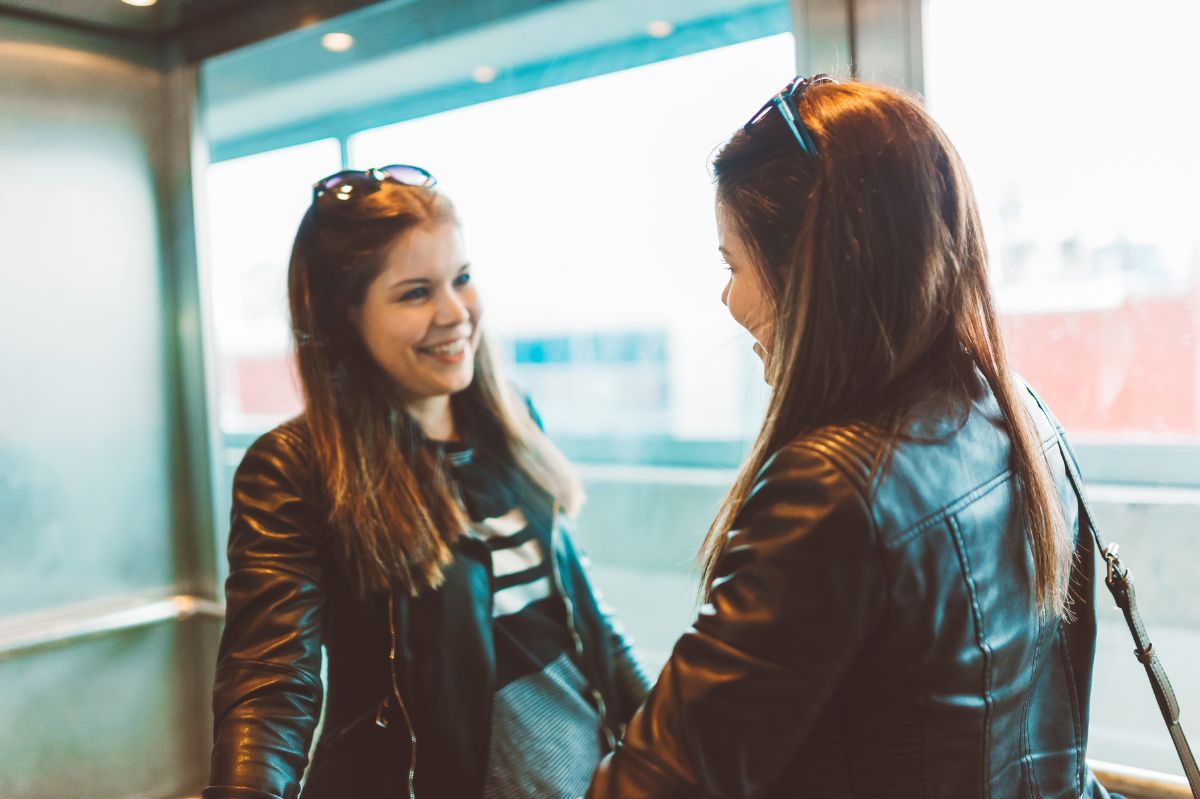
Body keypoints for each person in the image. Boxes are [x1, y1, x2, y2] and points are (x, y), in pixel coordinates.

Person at [587, 77, 1114, 798]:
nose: (728, 299)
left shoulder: (831, 487)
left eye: (732, 265)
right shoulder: (1023, 413)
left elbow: (662, 781)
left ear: (812, 271)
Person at [204, 165, 650, 799]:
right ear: (344, 317)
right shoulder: (297, 465)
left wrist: (674, 740)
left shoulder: (509, 420)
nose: (455, 313)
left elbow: (584, 619)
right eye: (415, 293)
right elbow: (271, 681)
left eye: (461, 279)